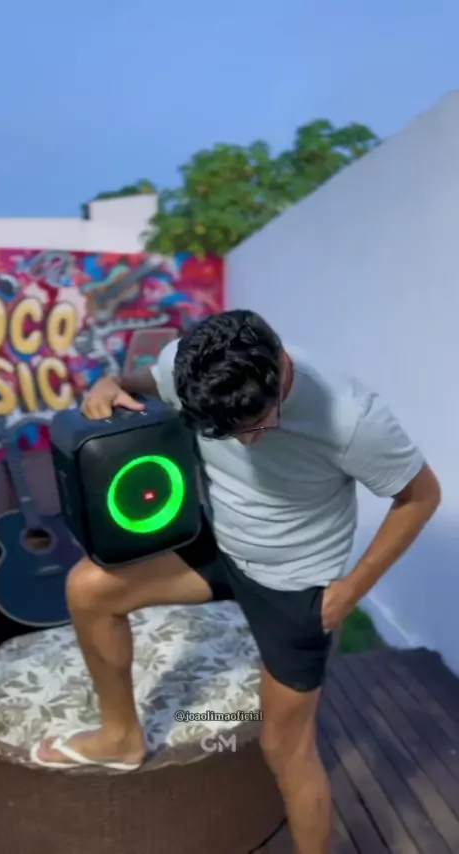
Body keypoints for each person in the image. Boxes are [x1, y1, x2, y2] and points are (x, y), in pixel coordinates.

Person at [34, 309, 440, 854]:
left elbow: (420, 497)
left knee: (284, 748)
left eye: (259, 424)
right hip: (220, 544)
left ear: (282, 367)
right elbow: (140, 382)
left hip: (294, 583)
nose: (247, 442)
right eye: (228, 432)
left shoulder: (353, 418)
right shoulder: (184, 366)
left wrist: (348, 593)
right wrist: (109, 382)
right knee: (88, 590)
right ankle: (120, 736)